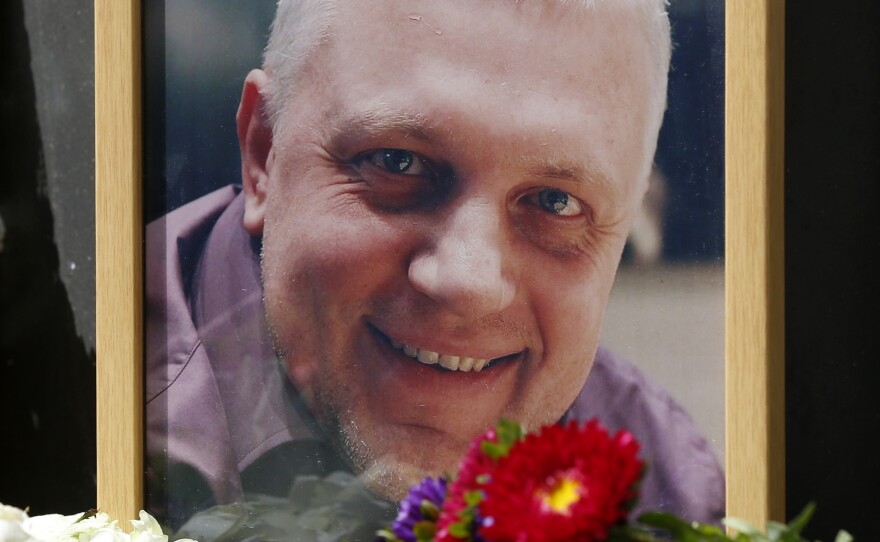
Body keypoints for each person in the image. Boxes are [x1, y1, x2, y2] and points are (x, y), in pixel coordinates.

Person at [145, 0, 724, 532]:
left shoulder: (661, 489)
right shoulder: (88, 424)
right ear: (263, 154)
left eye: (555, 202)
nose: (467, 282)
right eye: (399, 163)